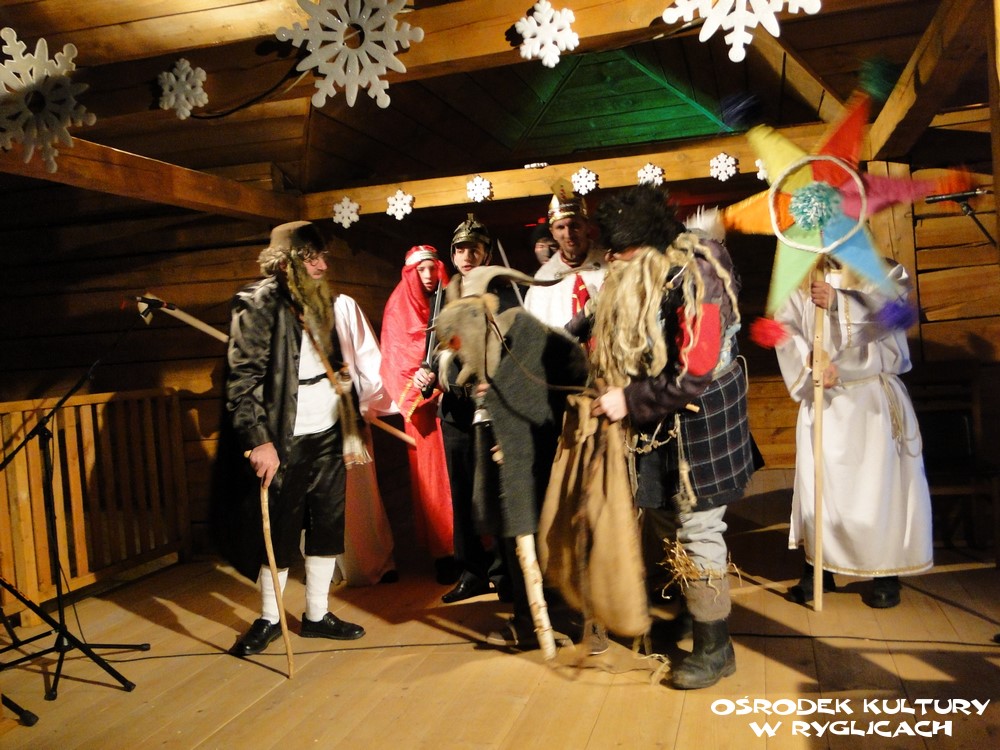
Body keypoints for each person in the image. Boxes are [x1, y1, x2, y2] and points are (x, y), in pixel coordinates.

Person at [588, 185, 758, 689]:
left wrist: (627, 400)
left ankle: (715, 648)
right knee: (665, 520)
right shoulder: (646, 267)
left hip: (701, 415)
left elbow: (695, 371)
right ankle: (692, 610)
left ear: (645, 244)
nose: (611, 260)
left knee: (698, 528)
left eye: (619, 251)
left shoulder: (698, 278)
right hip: (662, 417)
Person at [225, 220, 394, 656]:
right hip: (284, 437)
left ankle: (317, 614)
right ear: (285, 263)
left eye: (323, 257)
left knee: (327, 523)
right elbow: (242, 381)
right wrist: (259, 440)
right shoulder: (256, 303)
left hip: (329, 430)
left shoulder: (325, 300)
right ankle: (269, 618)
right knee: (279, 530)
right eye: (312, 258)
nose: (322, 266)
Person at [774, 259, 933, 609]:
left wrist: (839, 302)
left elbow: (889, 313)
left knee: (877, 491)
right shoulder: (798, 278)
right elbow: (785, 328)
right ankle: (819, 567)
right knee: (821, 489)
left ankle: (885, 572)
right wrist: (811, 362)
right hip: (825, 398)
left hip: (871, 400)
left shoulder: (883, 271)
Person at [437, 215, 514, 603]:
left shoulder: (503, 291)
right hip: (455, 410)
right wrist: (428, 370)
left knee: (497, 493)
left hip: (493, 408)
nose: (466, 255)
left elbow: (514, 345)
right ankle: (472, 571)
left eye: (474, 249)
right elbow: (437, 345)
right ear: (453, 255)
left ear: (486, 254)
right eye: (460, 249)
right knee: (463, 491)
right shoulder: (444, 294)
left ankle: (505, 572)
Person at [380, 245, 457, 583]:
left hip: (457, 400)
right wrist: (425, 385)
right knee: (435, 481)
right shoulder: (398, 308)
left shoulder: (450, 299)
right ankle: (445, 552)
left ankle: (476, 545)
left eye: (432, 269)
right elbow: (397, 360)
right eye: (421, 270)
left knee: (463, 474)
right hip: (426, 413)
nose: (428, 276)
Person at [523, 189, 606, 329]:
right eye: (560, 227)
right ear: (553, 233)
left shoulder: (610, 264)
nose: (568, 234)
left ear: (587, 227)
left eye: (574, 226)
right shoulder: (543, 280)